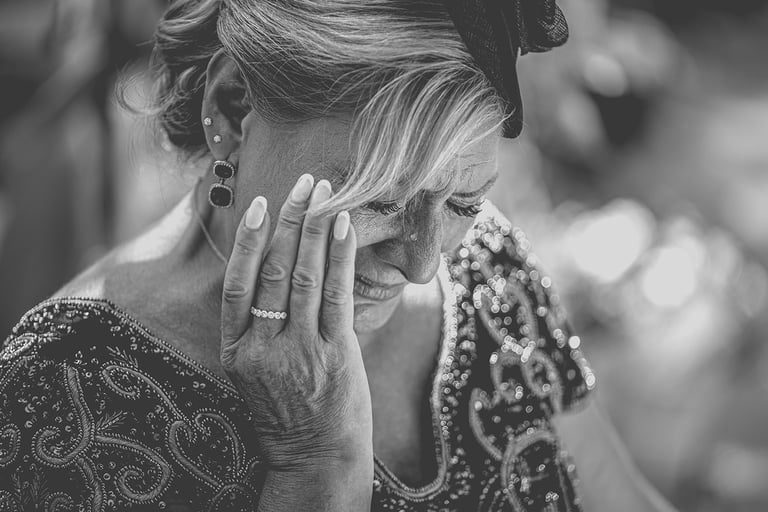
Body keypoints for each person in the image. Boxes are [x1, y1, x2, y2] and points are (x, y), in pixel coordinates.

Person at [0, 0, 676, 511]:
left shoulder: (485, 268)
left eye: (462, 203)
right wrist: (316, 471)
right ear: (233, 111)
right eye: (381, 199)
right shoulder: (65, 388)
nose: (423, 265)